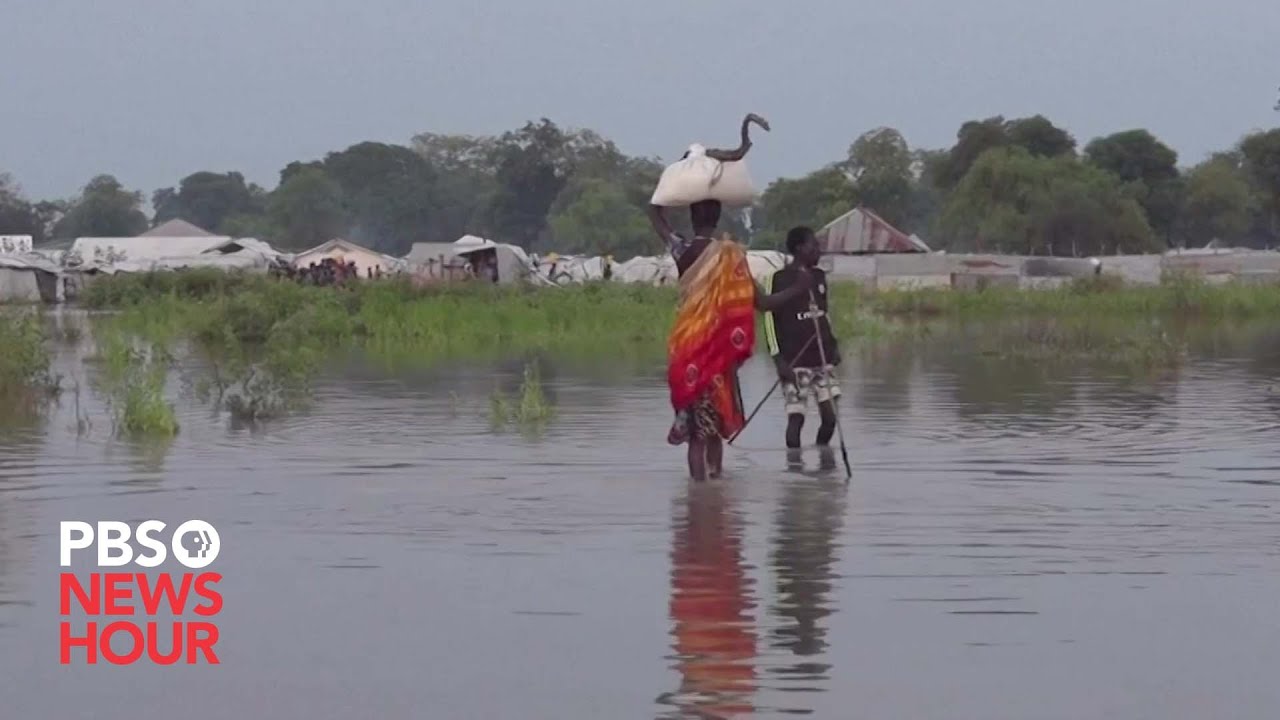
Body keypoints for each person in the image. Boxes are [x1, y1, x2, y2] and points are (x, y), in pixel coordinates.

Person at [649, 198, 813, 482]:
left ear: (691, 217)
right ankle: (715, 494)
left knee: (695, 438)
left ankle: (698, 497)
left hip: (686, 351)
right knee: (713, 432)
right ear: (718, 217)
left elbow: (655, 215)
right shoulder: (732, 256)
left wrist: (670, 190)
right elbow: (763, 302)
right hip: (718, 355)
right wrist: (799, 288)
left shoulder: (682, 250)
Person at [763, 226, 841, 450]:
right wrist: (778, 360)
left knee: (830, 418)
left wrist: (833, 345)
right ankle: (794, 469)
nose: (819, 250)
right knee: (796, 419)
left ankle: (822, 458)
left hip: (822, 358)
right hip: (794, 361)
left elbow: (824, 315)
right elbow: (769, 320)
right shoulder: (778, 279)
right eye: (814, 245)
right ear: (799, 248)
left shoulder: (819, 276)